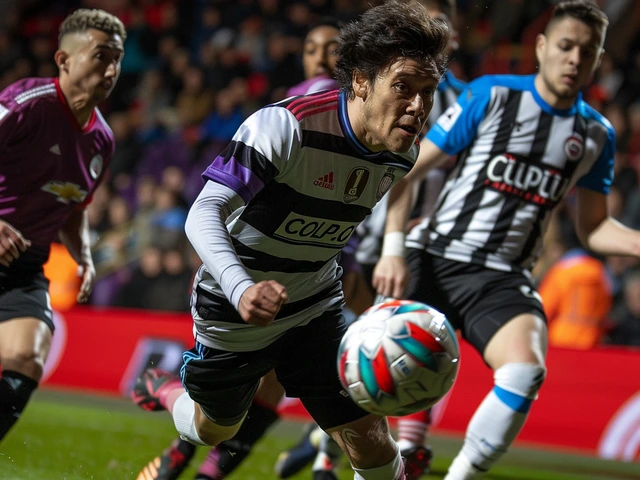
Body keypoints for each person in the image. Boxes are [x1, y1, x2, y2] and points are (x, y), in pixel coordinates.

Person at [131, 3, 449, 480]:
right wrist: (242, 288)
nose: (418, 107)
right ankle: (163, 388)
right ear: (361, 80)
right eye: (403, 87)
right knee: (213, 429)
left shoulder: (401, 154)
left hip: (314, 309)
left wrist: (394, 247)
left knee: (374, 447)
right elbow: (203, 211)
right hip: (233, 310)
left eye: (427, 92)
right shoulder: (287, 125)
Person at [373, 1, 640, 478]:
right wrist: (393, 250)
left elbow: (594, 228)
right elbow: (407, 174)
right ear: (540, 47)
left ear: (598, 58)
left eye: (587, 50)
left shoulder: (595, 136)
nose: (575, 59)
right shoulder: (492, 95)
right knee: (381, 373)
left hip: (500, 279)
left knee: (524, 372)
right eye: (565, 46)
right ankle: (347, 458)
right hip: (430, 257)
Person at [134, 18, 345, 480]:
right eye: (311, 47)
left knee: (263, 391)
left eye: (331, 48)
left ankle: (199, 463)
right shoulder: (301, 109)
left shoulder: (359, 120)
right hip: (265, 265)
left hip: (325, 258)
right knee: (248, 391)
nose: (320, 56)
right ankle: (189, 453)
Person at [0, 9, 125, 443]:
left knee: (27, 357)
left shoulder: (102, 140)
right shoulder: (24, 103)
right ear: (63, 58)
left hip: (24, 267)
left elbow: (74, 205)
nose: (110, 69)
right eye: (100, 56)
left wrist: (84, 255)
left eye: (118, 59)